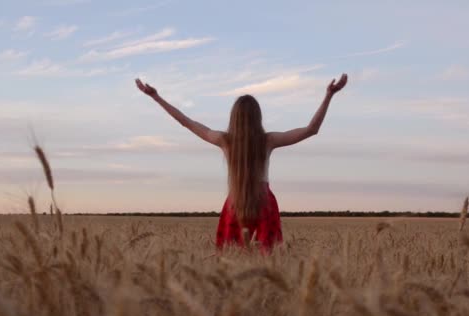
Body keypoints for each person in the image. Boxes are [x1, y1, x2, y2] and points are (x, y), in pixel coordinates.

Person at [135, 74, 348, 251]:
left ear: (233, 117)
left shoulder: (224, 140)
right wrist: (329, 95)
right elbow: (311, 129)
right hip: (265, 204)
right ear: (258, 117)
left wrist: (156, 97)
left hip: (235, 203)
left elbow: (186, 122)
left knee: (231, 260)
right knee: (268, 258)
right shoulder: (268, 140)